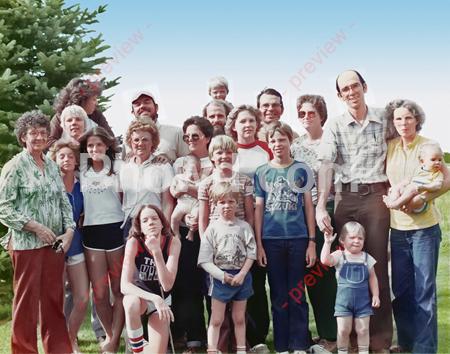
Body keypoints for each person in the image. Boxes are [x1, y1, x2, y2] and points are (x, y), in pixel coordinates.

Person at [316, 69, 392, 352]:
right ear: (339, 95)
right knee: (346, 266)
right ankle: (347, 340)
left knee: (377, 268)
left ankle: (380, 341)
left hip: (376, 197)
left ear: (364, 87)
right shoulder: (335, 125)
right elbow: (325, 164)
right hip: (346, 197)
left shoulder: (385, 119)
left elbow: (399, 151)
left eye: (355, 86)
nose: (351, 92)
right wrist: (322, 205)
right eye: (345, 89)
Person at [0, 110, 75, 353]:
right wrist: (36, 227)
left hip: (54, 245)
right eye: (33, 133)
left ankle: (59, 349)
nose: (39, 137)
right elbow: (3, 208)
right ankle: (24, 350)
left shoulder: (52, 166)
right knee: (26, 303)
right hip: (25, 246)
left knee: (54, 301)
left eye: (43, 133)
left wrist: (69, 232)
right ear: (23, 137)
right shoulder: (15, 167)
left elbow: (64, 202)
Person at [384, 99, 450, 353]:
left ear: (417, 120)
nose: (403, 123)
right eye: (398, 119)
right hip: (398, 229)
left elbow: (446, 179)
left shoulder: (429, 146)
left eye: (408, 118)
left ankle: (425, 348)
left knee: (424, 290)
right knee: (401, 290)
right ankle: (406, 342)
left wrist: (422, 199)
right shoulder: (390, 147)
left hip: (424, 229)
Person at [254, 122, 316, 354]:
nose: (277, 144)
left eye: (282, 140)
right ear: (268, 144)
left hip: (298, 237)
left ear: (290, 141)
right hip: (271, 239)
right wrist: (259, 243)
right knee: (279, 293)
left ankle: (299, 344)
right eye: (273, 140)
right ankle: (281, 345)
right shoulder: (262, 172)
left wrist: (311, 240)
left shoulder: (302, 169)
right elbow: (259, 209)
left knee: (297, 292)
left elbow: (309, 205)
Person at [198, 134, 255, 353]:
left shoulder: (243, 181)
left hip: (241, 245)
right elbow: (203, 221)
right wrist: (208, 250)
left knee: (241, 308)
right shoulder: (206, 183)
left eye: (228, 152)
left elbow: (249, 215)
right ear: (212, 156)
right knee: (216, 310)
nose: (224, 156)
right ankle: (217, 346)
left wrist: (250, 243)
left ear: (234, 154)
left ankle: (241, 345)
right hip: (216, 247)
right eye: (219, 153)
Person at [291, 94, 337, 352]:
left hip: (329, 209)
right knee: (312, 275)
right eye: (302, 114)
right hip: (301, 214)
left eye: (311, 113)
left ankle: (333, 334)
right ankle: (320, 333)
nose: (306, 117)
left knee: (325, 271)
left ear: (321, 115)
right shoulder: (296, 146)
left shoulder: (331, 142)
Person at [225, 104, 272, 353]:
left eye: (252, 121)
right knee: (231, 278)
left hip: (261, 220)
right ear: (234, 126)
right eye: (242, 121)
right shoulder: (228, 151)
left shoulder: (265, 150)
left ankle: (258, 335)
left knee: (255, 280)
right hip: (231, 223)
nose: (247, 125)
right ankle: (232, 336)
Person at [79, 126, 125, 353]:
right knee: (99, 293)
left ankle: (114, 340)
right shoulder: (81, 171)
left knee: (118, 290)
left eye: (98, 144)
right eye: (90, 146)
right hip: (92, 234)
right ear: (85, 150)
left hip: (116, 230)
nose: (94, 149)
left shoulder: (119, 169)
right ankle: (110, 336)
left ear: (107, 146)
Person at [121, 204, 181, 353]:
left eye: (154, 218)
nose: (151, 223)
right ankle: (137, 349)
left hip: (162, 300)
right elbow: (124, 285)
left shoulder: (173, 242)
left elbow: (167, 285)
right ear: (140, 227)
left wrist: (157, 252)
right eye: (145, 220)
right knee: (130, 303)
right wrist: (154, 298)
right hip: (141, 297)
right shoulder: (134, 242)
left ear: (162, 222)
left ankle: (141, 346)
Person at [49, 140, 89, 353]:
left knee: (82, 297)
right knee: (55, 297)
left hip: (75, 245)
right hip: (53, 245)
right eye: (62, 156)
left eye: (70, 156)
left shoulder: (82, 185)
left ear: (76, 160)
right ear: (55, 160)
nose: (66, 159)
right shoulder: (49, 185)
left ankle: (70, 336)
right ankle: (58, 341)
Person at [320, 222, 380, 354]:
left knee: (363, 330)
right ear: (342, 240)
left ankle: (364, 351)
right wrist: (327, 243)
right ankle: (342, 351)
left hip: (363, 303)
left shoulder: (366, 258)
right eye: (352, 238)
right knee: (343, 330)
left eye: (360, 238)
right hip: (343, 303)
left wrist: (375, 295)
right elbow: (325, 260)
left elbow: (372, 277)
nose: (356, 241)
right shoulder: (339, 256)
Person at [120, 120, 175, 238]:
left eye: (145, 139)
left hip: (154, 224)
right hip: (130, 225)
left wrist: (164, 229)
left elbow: (167, 203)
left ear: (153, 143)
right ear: (130, 142)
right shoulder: (124, 168)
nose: (140, 143)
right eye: (136, 140)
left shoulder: (163, 166)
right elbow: (122, 198)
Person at [49, 77, 114, 147]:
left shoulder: (96, 115)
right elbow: (49, 142)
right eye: (94, 99)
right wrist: (70, 145)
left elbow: (111, 139)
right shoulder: (60, 117)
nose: (96, 103)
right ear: (82, 100)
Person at [131, 90, 189, 163]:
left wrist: (169, 162)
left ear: (156, 107)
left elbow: (190, 162)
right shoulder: (128, 140)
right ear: (133, 112)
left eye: (146, 102)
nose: (142, 106)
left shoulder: (177, 133)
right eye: (137, 104)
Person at [383, 142, 444, 210]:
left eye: (440, 160)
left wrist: (423, 187)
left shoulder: (437, 174)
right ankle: (392, 201)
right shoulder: (418, 170)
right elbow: (407, 180)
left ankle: (396, 204)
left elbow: (437, 186)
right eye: (433, 159)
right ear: (422, 161)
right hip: (408, 197)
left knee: (412, 188)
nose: (437, 162)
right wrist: (396, 187)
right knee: (398, 187)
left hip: (420, 202)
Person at [170, 154, 201, 240]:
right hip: (182, 204)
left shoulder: (199, 181)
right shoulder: (178, 178)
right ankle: (175, 234)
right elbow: (172, 188)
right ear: (184, 169)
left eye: (198, 171)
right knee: (174, 218)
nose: (195, 174)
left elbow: (201, 194)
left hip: (195, 205)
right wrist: (175, 193)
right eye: (192, 171)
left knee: (195, 219)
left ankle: (190, 233)